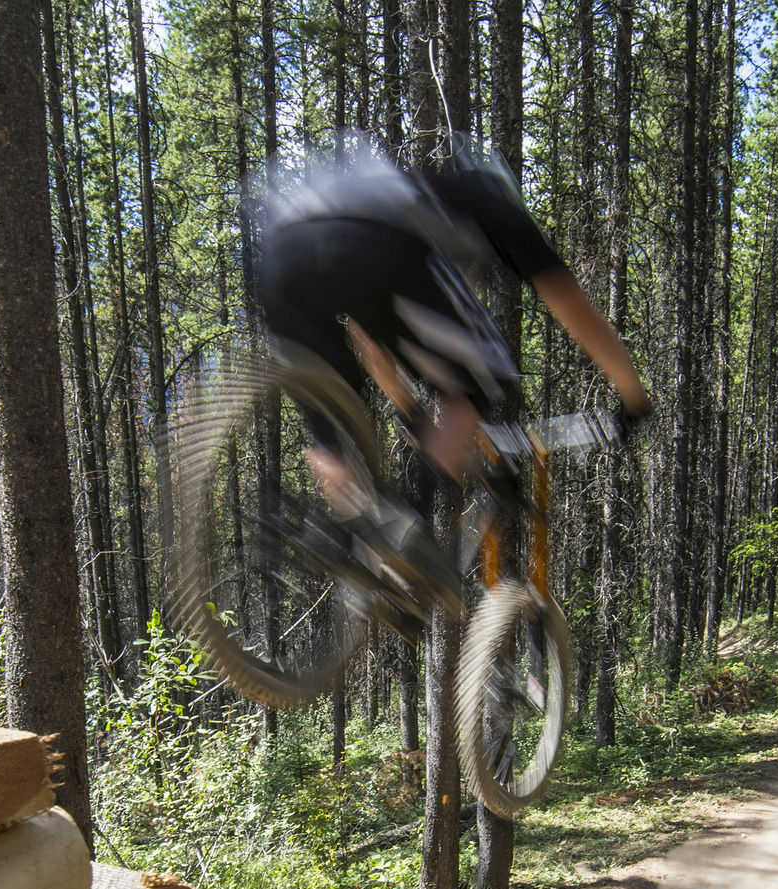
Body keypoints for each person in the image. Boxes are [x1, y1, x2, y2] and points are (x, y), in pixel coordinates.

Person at [250, 133, 649, 610]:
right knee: (486, 377)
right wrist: (631, 393)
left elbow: (369, 336)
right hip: (372, 249)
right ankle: (412, 526)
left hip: (277, 262)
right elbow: (570, 304)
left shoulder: (400, 192)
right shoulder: (486, 199)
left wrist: (414, 413)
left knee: (332, 413)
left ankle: (337, 531)